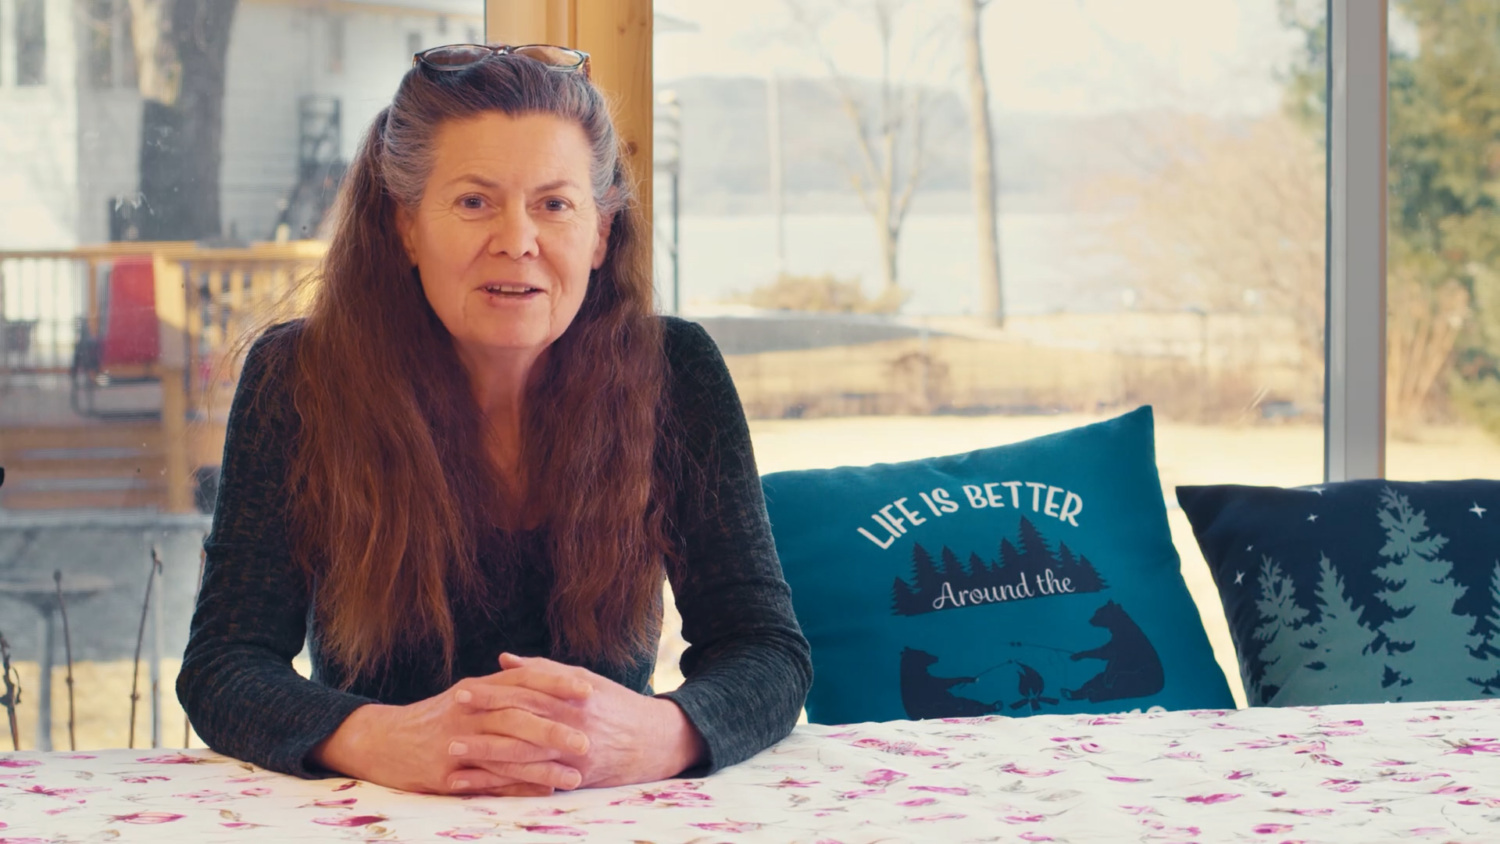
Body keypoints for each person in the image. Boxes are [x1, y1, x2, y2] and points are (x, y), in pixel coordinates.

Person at [177, 44, 812, 797]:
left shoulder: (674, 370)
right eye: (475, 202)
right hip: (382, 811)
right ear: (405, 226)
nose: (518, 240)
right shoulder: (300, 376)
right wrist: (380, 738)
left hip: (600, 809)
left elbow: (766, 649)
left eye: (555, 204)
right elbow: (224, 665)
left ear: (602, 232)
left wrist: (660, 733)